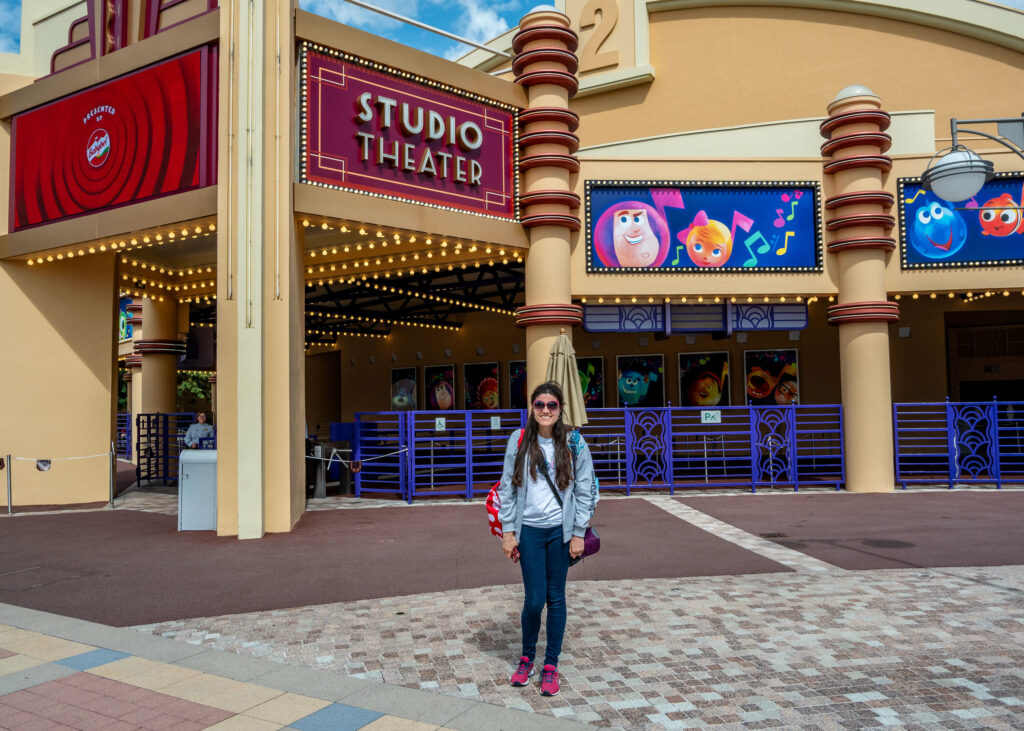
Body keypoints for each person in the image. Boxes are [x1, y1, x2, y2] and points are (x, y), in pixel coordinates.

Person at [497, 381, 598, 697]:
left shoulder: (575, 442)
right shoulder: (519, 439)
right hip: (528, 531)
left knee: (556, 597)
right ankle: (527, 658)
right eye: (539, 404)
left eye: (551, 405)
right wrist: (508, 531)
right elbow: (507, 488)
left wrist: (579, 533)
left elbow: (586, 488)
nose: (544, 410)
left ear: (560, 409)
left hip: (561, 533)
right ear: (531, 407)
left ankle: (550, 664)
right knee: (534, 599)